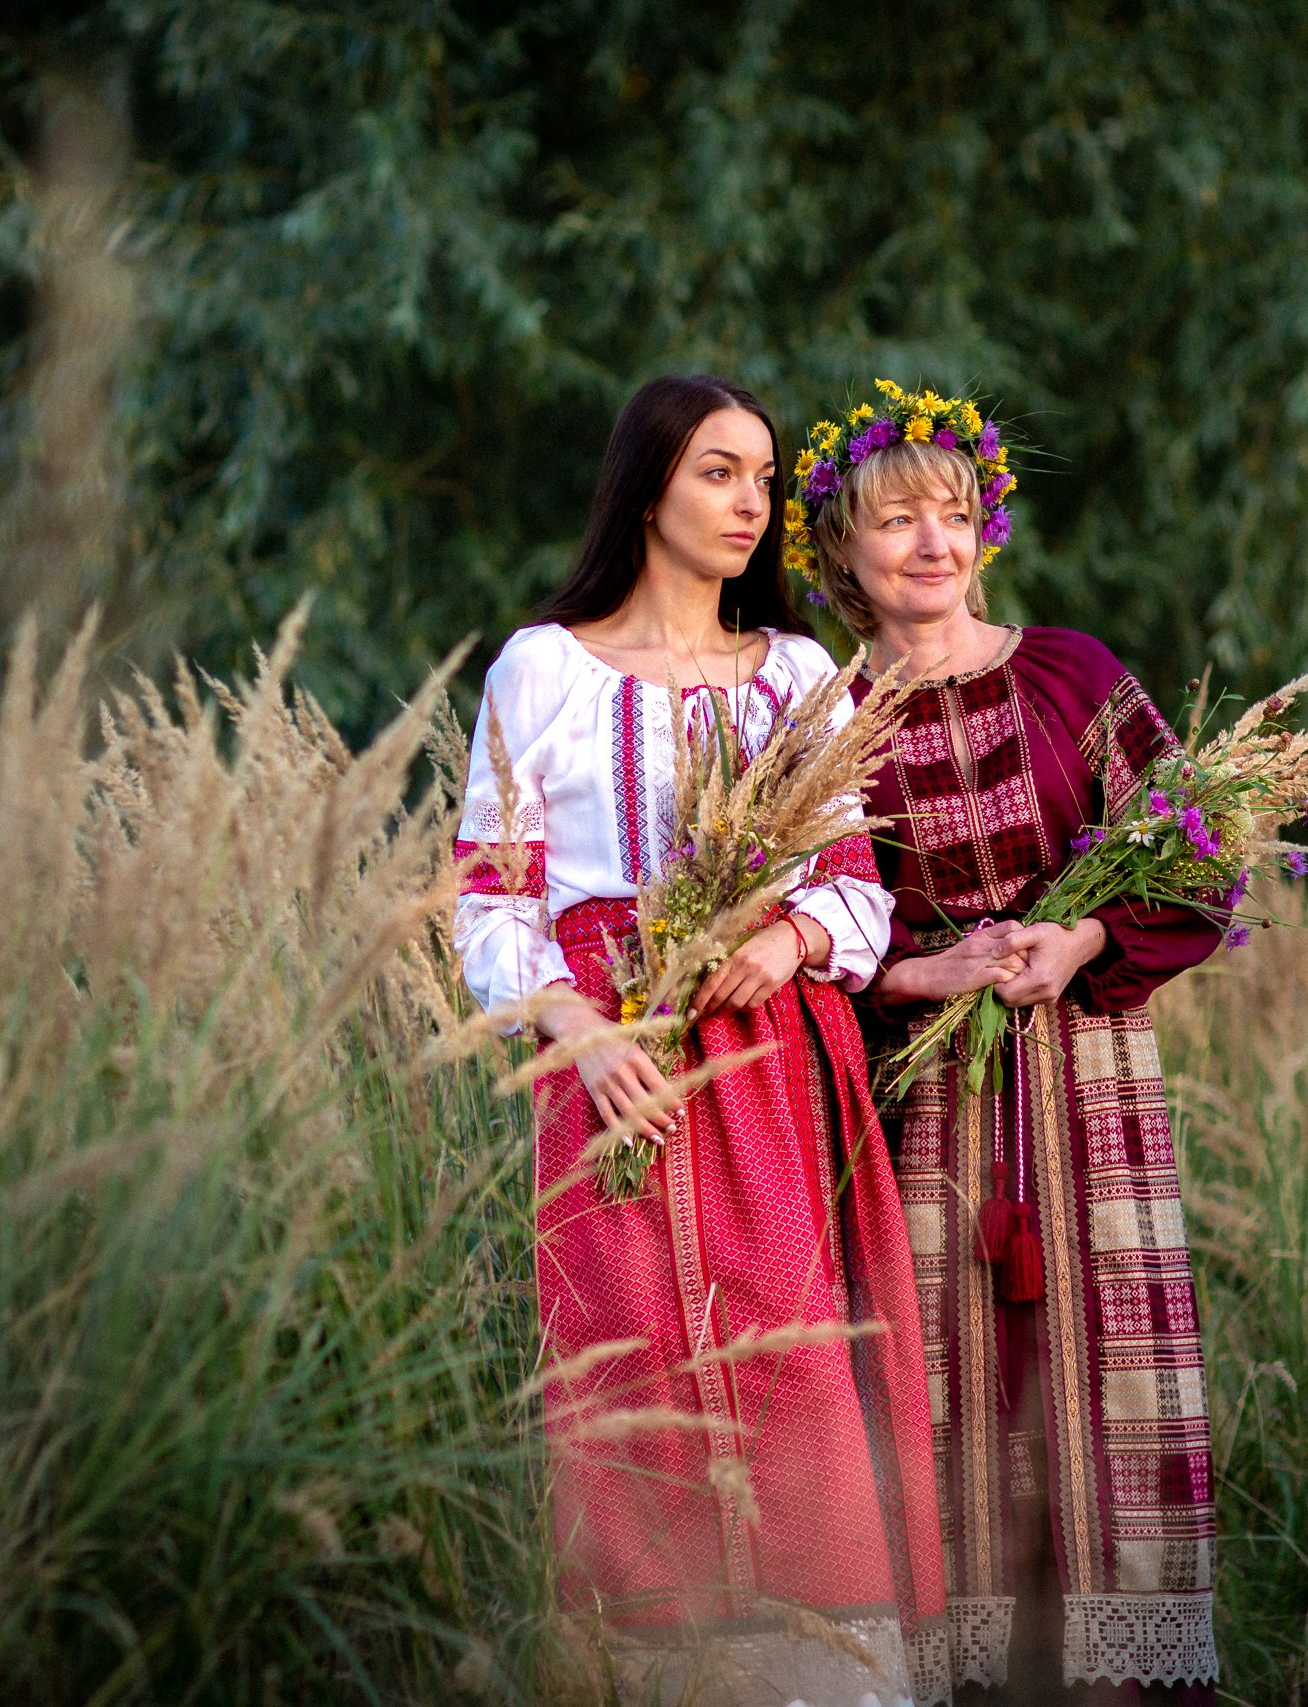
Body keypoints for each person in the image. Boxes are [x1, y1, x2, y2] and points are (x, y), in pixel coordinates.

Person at [453, 374, 948, 1707]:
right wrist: (578, 1034)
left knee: (787, 1370)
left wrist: (778, 944)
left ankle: (824, 1679)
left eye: (765, 479)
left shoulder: (791, 674)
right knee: (626, 1377)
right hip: (608, 1080)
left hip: (767, 1074)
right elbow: (491, 902)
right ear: (647, 482)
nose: (752, 503)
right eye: (721, 472)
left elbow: (855, 884)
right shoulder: (541, 666)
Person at [788, 386, 1222, 1703]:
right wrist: (935, 968)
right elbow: (807, 932)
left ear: (988, 535)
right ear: (842, 551)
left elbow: (1199, 862)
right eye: (897, 521)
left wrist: (1079, 945)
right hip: (927, 1105)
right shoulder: (824, 721)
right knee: (945, 1395)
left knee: (1101, 1389)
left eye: (955, 517)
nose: (932, 544)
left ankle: (1116, 1685)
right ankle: (967, 1682)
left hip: (1086, 1084)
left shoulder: (1075, 674)